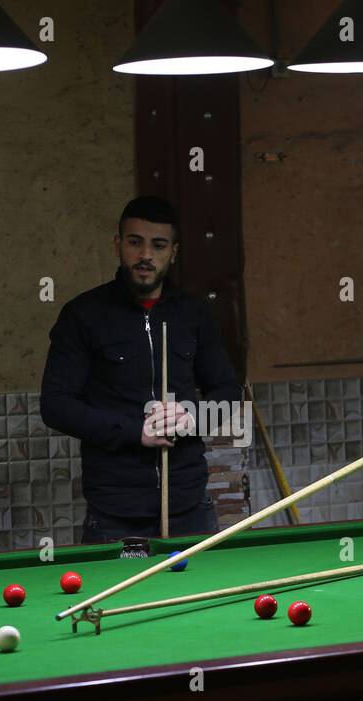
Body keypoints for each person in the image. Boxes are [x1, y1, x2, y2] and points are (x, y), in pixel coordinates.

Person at [40, 196, 241, 544]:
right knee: (114, 602)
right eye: (135, 242)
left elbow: (228, 393)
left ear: (173, 252)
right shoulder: (83, 315)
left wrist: (191, 418)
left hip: (190, 507)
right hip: (115, 514)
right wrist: (136, 432)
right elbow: (56, 405)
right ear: (118, 245)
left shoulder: (193, 315)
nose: (146, 255)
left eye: (158, 245)